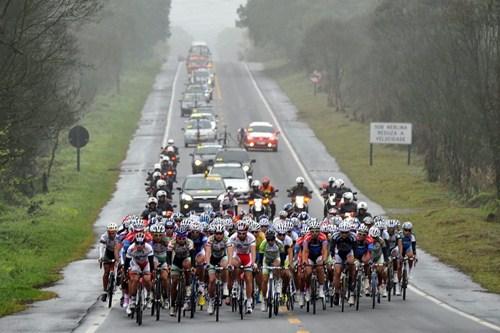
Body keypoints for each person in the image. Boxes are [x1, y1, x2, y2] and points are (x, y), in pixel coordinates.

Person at [227, 220, 256, 314]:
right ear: (237, 232)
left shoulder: (251, 237)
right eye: (239, 233)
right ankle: (235, 282)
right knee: (234, 265)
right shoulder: (232, 237)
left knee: (248, 278)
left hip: (247, 257)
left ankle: (248, 301)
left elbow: (253, 252)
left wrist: (253, 263)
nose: (242, 235)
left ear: (247, 232)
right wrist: (230, 263)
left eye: (244, 233)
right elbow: (230, 252)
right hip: (237, 256)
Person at [166, 226, 195, 316]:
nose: (181, 240)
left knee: (187, 266)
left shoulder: (190, 242)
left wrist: (193, 267)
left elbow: (193, 255)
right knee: (174, 282)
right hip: (176, 262)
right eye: (179, 238)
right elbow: (169, 255)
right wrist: (169, 265)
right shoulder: (172, 242)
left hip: (187, 259)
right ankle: (172, 306)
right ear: (176, 237)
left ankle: (187, 287)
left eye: (183, 238)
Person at [124, 232, 155, 315]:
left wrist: (152, 273)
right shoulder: (130, 249)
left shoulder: (149, 248)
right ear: (135, 243)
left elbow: (151, 262)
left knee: (147, 279)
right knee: (134, 279)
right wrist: (125, 272)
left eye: (141, 243)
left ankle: (149, 295)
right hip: (136, 264)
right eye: (137, 243)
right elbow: (127, 263)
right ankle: (133, 299)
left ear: (145, 243)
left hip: (146, 264)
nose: (139, 245)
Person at [330, 221, 357, 306]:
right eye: (342, 232)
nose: (344, 234)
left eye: (346, 232)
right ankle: (337, 293)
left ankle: (351, 287)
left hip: (349, 253)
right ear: (339, 231)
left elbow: (355, 250)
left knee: (352, 264)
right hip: (339, 253)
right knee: (337, 272)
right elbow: (331, 249)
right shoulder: (335, 236)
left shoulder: (353, 237)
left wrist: (354, 260)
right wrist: (333, 259)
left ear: (349, 231)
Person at [301, 219, 328, 302]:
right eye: (312, 231)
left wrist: (324, 260)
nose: (314, 233)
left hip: (319, 255)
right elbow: (305, 251)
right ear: (310, 231)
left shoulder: (323, 237)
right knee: (308, 272)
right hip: (309, 256)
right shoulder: (307, 238)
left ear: (319, 231)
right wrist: (304, 261)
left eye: (317, 231)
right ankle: (308, 290)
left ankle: (320, 289)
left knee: (320, 268)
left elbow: (324, 250)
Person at [205, 223, 230, 314]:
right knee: (211, 280)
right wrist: (207, 263)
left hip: (222, 257)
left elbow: (230, 252)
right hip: (212, 259)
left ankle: (225, 285)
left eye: (220, 233)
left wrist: (230, 263)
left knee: (225, 264)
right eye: (217, 233)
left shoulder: (226, 239)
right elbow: (207, 252)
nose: (219, 235)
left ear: (223, 233)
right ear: (214, 233)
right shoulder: (210, 239)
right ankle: (211, 301)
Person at [258, 229, 285, 312]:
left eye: (272, 239)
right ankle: (264, 300)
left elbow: (282, 255)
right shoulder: (263, 244)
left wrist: (282, 265)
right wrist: (260, 265)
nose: (270, 241)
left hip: (276, 259)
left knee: (277, 266)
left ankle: (278, 282)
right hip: (266, 260)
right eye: (268, 239)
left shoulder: (279, 243)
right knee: (265, 280)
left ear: (275, 238)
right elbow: (261, 256)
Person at [98, 223, 118, 302]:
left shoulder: (119, 237)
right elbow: (101, 247)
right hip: (108, 253)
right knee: (106, 272)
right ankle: (105, 291)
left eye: (113, 233)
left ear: (116, 232)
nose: (112, 234)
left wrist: (119, 258)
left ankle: (115, 282)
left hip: (116, 252)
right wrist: (101, 257)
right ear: (107, 232)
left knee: (116, 269)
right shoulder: (104, 236)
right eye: (110, 232)